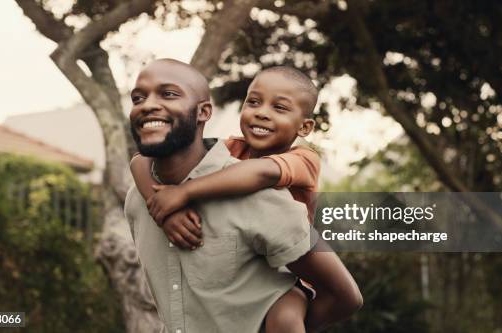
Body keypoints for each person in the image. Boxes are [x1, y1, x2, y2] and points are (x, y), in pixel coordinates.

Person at [125, 58, 362, 333]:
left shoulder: (300, 162)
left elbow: (261, 173)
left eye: (280, 108)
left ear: (305, 127)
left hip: (293, 276)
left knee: (285, 319)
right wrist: (163, 212)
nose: (262, 113)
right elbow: (139, 162)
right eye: (253, 102)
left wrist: (183, 193)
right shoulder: (229, 150)